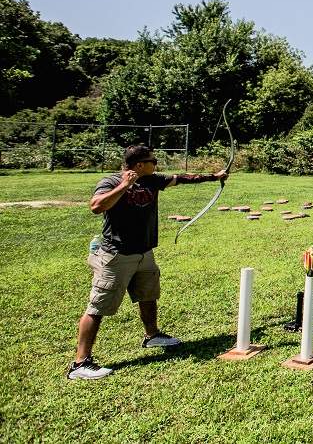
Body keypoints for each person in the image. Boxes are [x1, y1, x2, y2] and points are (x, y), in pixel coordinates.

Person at [67, 145, 228, 380]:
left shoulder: (152, 180)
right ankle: (80, 363)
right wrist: (124, 186)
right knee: (98, 307)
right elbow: (96, 206)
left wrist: (214, 177)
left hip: (144, 253)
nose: (156, 164)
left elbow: (183, 178)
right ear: (139, 165)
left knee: (148, 296)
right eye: (153, 161)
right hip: (117, 256)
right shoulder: (111, 181)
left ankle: (152, 336)